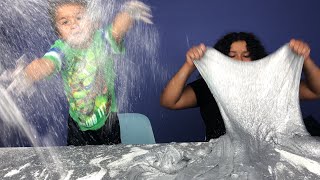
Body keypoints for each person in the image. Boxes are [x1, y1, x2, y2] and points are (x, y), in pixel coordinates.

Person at [5, 0, 152, 146]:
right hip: (78, 125)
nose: (74, 25)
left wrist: (129, 12)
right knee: (79, 163)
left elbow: (117, 30)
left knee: (112, 159)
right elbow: (46, 64)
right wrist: (28, 73)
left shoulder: (102, 40)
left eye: (79, 18)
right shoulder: (62, 49)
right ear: (60, 34)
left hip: (108, 120)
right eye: (65, 22)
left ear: (94, 22)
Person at [160, 32, 320, 141]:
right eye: (232, 56)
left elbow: (316, 91)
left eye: (246, 55)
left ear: (256, 58)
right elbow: (169, 101)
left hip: (271, 158)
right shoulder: (209, 86)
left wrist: (305, 60)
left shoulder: (272, 82)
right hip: (224, 160)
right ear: (221, 59)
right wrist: (189, 65)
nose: (239, 60)